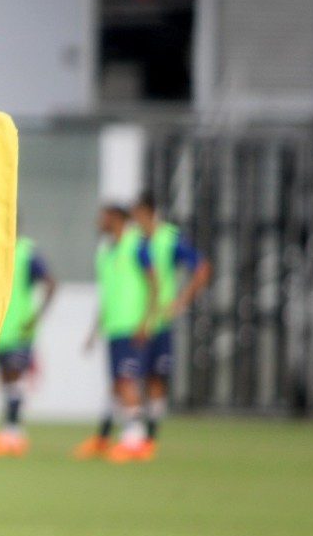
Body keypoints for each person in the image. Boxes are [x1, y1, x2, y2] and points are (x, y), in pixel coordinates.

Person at [72, 204, 155, 463]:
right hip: (114, 327)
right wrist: (94, 330)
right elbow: (108, 295)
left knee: (127, 381)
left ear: (117, 219)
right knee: (117, 383)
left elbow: (155, 283)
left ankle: (136, 440)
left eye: (104, 217)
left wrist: (146, 321)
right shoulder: (106, 252)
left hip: (132, 326)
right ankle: (105, 437)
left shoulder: (136, 245)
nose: (100, 221)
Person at [131, 190, 211, 457]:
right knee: (132, 378)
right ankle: (136, 433)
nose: (135, 220)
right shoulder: (136, 241)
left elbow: (201, 269)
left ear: (147, 212)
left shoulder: (169, 239)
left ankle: (148, 437)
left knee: (155, 378)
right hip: (135, 319)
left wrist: (182, 300)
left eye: (138, 215)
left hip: (159, 322)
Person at [0, 234, 56, 458]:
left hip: (19, 332)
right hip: (0, 331)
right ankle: (11, 432)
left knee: (15, 379)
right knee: (6, 382)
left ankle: (13, 434)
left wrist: (36, 317)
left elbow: (51, 283)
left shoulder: (25, 253)